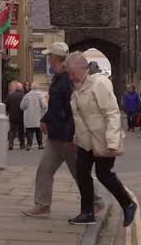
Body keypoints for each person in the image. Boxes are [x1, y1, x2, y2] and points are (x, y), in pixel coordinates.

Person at [24, 43, 103, 217]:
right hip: (55, 136)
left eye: (49, 55)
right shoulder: (58, 78)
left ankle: (96, 201)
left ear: (55, 58)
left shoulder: (67, 79)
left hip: (67, 138)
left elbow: (73, 109)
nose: (47, 58)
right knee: (44, 169)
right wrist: (45, 119)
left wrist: (71, 136)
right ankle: (42, 204)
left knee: (79, 172)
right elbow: (55, 106)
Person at [66, 52, 138, 227]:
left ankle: (128, 204)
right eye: (69, 73)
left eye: (72, 72)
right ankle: (87, 213)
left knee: (104, 174)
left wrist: (112, 141)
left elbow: (112, 113)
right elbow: (79, 117)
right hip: (85, 141)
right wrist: (76, 139)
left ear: (83, 68)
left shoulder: (99, 84)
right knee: (82, 174)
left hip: (103, 138)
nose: (71, 76)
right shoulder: (78, 87)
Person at [21, 86, 47, 150]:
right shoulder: (40, 96)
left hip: (29, 117)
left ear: (31, 88)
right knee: (39, 131)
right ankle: (40, 145)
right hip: (38, 116)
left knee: (29, 131)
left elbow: (22, 106)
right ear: (38, 88)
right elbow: (45, 106)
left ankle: (29, 145)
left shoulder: (26, 96)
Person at [4, 81, 25, 150]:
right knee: (21, 130)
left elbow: (6, 105)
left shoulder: (10, 95)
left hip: (12, 115)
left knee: (12, 130)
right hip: (21, 116)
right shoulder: (23, 96)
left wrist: (8, 112)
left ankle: (10, 143)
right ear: (21, 88)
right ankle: (22, 144)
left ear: (16, 88)